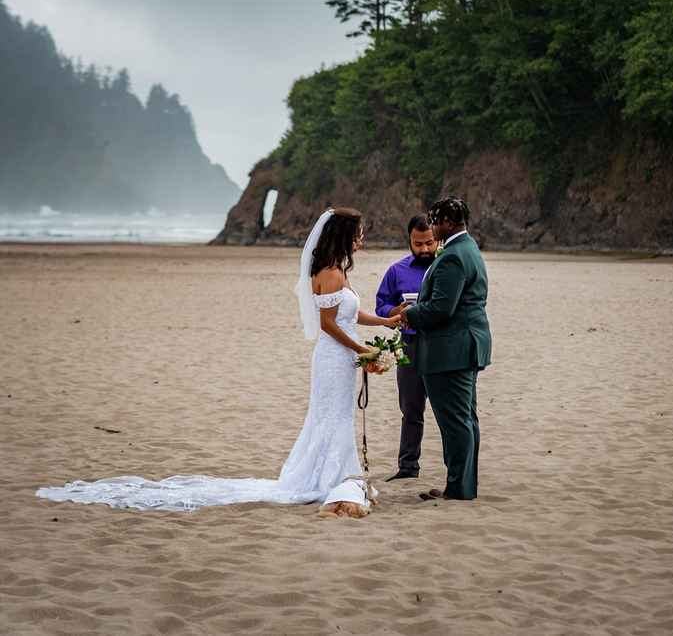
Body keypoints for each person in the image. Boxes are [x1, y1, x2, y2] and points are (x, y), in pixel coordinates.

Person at [36, 207, 401, 511]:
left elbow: (349, 316)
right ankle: (325, 478)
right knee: (329, 416)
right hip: (334, 357)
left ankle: (332, 475)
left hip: (342, 356)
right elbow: (328, 326)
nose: (362, 238)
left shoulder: (340, 271)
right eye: (359, 233)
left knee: (337, 415)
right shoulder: (330, 273)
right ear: (344, 235)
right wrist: (363, 350)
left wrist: (383, 321)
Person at [402, 197, 491, 501]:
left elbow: (441, 309)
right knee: (466, 418)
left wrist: (408, 313)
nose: (432, 224)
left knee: (455, 421)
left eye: (435, 219)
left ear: (449, 223)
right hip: (467, 345)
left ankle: (458, 487)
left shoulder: (453, 256)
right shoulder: (469, 248)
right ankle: (464, 485)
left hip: (451, 351)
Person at [376, 214, 437, 480]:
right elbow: (381, 305)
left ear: (437, 239)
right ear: (409, 242)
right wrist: (395, 311)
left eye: (429, 243)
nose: (424, 249)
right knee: (410, 409)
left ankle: (456, 471)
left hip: (440, 345)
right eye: (418, 243)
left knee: (448, 410)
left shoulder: (448, 267)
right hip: (409, 344)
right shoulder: (396, 271)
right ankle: (408, 467)